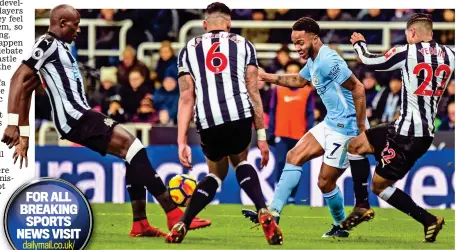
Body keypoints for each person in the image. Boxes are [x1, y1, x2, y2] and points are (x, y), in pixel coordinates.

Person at [1, 4, 210, 238]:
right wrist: (11, 124)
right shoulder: (46, 44)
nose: (79, 30)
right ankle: (173, 214)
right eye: (75, 25)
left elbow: (27, 88)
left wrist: (26, 133)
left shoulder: (59, 48)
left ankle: (140, 224)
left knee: (132, 155)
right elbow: (18, 78)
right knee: (136, 148)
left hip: (79, 115)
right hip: (76, 117)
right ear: (61, 23)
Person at [241, 17, 374, 237]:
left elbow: (358, 89)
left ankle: (341, 225)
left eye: (301, 42)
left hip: (346, 128)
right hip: (331, 121)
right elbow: (299, 81)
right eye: (295, 43)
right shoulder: (314, 59)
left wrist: (360, 129)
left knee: (324, 182)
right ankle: (273, 214)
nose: (297, 48)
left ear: (314, 37)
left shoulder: (328, 61)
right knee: (293, 156)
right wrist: (266, 77)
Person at [166, 2, 283, 245]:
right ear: (229, 23)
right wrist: (261, 137)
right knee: (240, 161)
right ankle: (262, 209)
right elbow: (253, 92)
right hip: (239, 115)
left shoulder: (187, 49)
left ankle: (182, 223)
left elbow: (186, 98)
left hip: (208, 120)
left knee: (215, 173)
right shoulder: (243, 44)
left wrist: (181, 141)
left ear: (204, 25)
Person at [345, 13, 455, 242]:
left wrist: (359, 44)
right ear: (431, 33)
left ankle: (428, 220)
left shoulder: (408, 51)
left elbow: (369, 60)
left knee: (379, 186)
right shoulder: (451, 54)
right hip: (407, 127)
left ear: (412, 33)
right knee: (356, 145)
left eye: (407, 34)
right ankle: (361, 205)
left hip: (408, 135)